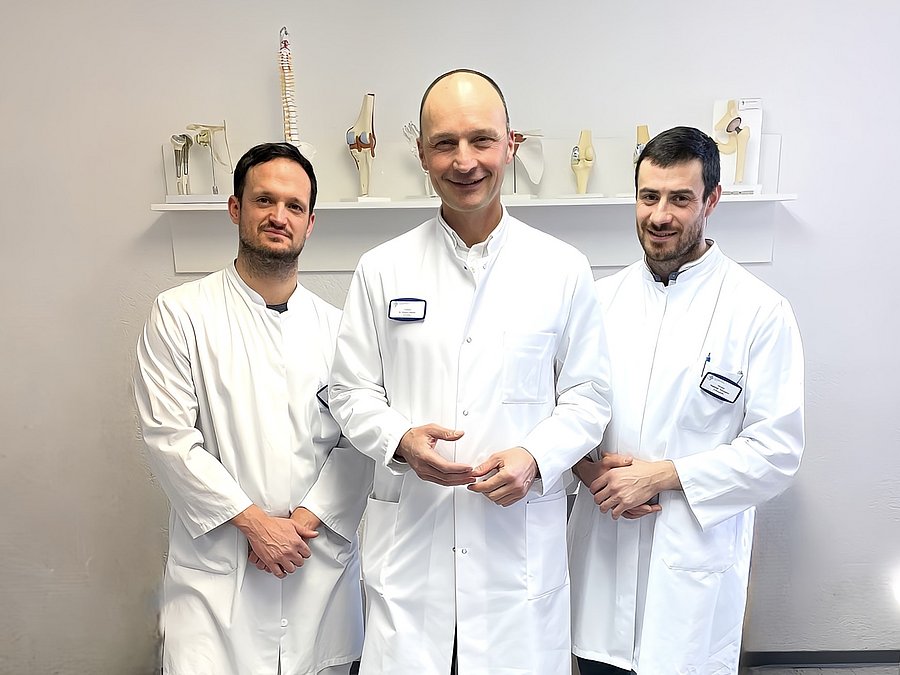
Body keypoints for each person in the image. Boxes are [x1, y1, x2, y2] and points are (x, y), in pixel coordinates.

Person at [328, 69, 612, 674]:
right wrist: (399, 441)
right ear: (421, 155)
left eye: (481, 139)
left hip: (516, 557)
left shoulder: (561, 269)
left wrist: (535, 456)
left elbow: (589, 396)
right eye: (444, 144)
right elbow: (350, 391)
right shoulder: (382, 269)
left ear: (511, 144)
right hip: (413, 549)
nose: (464, 161)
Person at [567, 126, 805, 675]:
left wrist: (659, 476)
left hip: (690, 577)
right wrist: (588, 470)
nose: (660, 216)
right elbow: (563, 413)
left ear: (711, 200)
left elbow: (777, 450)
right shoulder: (597, 303)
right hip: (601, 565)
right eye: (648, 196)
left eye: (680, 198)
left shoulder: (759, 312)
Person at [133, 142, 373, 675]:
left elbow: (358, 441)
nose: (278, 216)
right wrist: (255, 525)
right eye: (264, 200)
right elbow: (170, 439)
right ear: (235, 208)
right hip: (218, 583)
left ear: (310, 223)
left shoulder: (339, 330)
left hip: (317, 573)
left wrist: (305, 520)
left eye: (294, 206)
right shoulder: (180, 315)